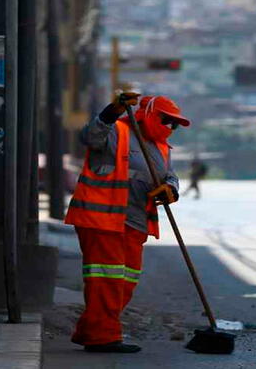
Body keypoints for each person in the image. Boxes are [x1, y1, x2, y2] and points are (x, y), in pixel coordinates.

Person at [64, 92, 191, 353]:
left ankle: (91, 330)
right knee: (106, 280)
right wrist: (111, 111)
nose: (170, 128)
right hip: (102, 218)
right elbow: (89, 137)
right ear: (148, 115)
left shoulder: (161, 148)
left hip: (135, 221)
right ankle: (103, 338)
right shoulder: (116, 131)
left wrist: (170, 189)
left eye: (174, 124)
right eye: (166, 120)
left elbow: (171, 176)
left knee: (126, 281)